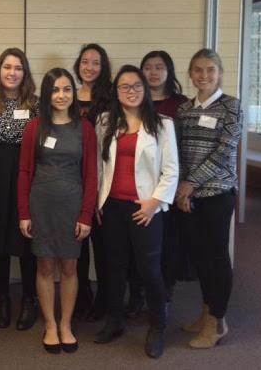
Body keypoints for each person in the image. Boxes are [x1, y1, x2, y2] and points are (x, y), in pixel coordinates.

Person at [93, 65, 179, 359]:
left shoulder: (162, 124)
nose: (131, 91)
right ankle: (115, 320)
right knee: (114, 267)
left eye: (136, 86)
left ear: (145, 88)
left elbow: (171, 171)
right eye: (124, 87)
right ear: (116, 92)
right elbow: (98, 166)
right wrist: (97, 201)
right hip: (112, 206)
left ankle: (158, 325)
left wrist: (154, 202)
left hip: (146, 208)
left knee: (148, 269)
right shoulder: (106, 121)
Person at [18, 68, 97, 354]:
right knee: (45, 266)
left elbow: (91, 175)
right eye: (55, 90)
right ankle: (50, 324)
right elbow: (25, 171)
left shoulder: (84, 128)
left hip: (73, 207)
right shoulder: (35, 126)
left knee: (69, 267)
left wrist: (86, 215)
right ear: (47, 94)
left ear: (74, 93)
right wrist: (24, 213)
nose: (61, 95)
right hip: (41, 206)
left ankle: (66, 324)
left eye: (67, 89)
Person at [175, 48, 243, 349]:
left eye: (210, 70)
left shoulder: (232, 107)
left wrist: (190, 184)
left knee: (216, 258)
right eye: (198, 70)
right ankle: (206, 314)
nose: (204, 75)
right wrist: (182, 188)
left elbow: (224, 152)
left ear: (219, 74)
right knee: (200, 258)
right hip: (189, 196)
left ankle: (217, 322)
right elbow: (177, 154)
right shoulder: (183, 110)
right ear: (190, 74)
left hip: (217, 194)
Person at [0, 48, 39, 331]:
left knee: (27, 241)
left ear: (25, 73)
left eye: (18, 68)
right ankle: (2, 299)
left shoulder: (36, 105)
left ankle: (29, 299)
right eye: (7, 67)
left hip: (29, 178)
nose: (12, 73)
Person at [140, 50, 190, 305]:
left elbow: (187, 146)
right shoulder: (136, 101)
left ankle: (164, 290)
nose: (153, 72)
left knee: (168, 241)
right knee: (140, 243)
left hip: (170, 184)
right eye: (148, 67)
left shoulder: (182, 105)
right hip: (141, 186)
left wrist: (184, 182)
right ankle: (138, 293)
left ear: (168, 71)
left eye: (159, 67)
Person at [72, 43, 112, 321]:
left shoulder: (112, 99)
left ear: (103, 67)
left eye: (95, 62)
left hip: (102, 178)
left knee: (103, 244)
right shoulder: (67, 96)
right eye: (85, 61)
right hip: (72, 179)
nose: (89, 67)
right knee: (78, 243)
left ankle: (105, 300)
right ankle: (82, 295)